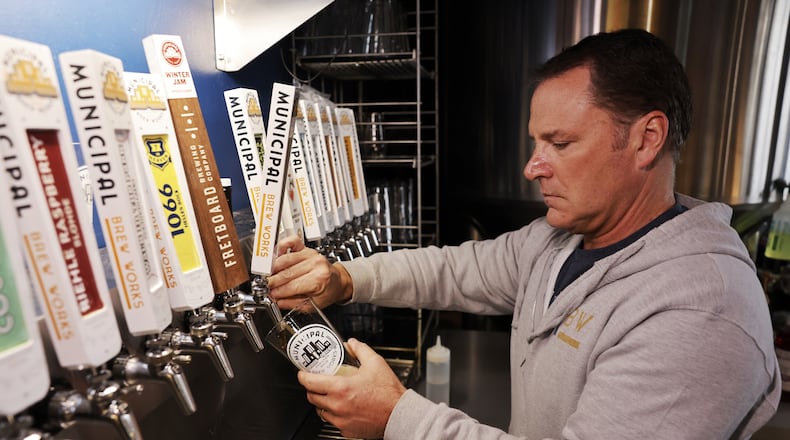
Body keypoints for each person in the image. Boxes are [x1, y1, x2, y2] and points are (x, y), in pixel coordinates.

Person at [267, 28, 782, 439]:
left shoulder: (701, 313)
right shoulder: (559, 241)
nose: (532, 167)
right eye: (537, 141)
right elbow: (458, 269)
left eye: (560, 142)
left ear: (647, 139)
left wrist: (397, 417)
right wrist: (342, 277)